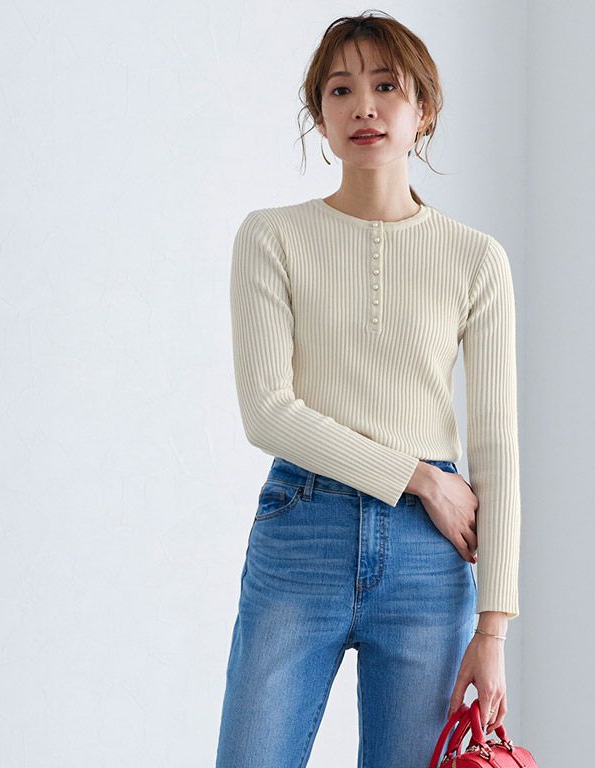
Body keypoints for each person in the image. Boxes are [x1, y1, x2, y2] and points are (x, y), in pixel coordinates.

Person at [215, 11, 520, 768]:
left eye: (387, 86)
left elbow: (496, 445)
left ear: (425, 110)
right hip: (304, 531)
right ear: (319, 115)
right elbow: (267, 412)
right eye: (341, 89)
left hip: (428, 561)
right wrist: (420, 478)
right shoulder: (271, 237)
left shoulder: (476, 259)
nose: (365, 107)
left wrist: (494, 628)